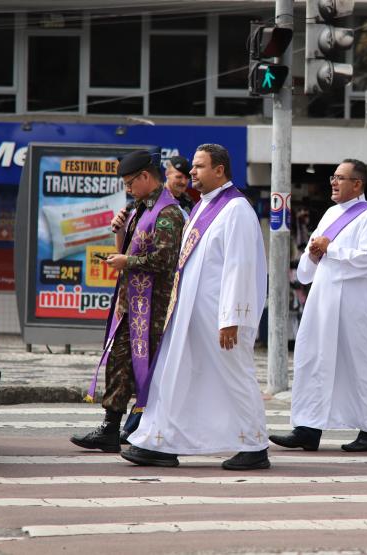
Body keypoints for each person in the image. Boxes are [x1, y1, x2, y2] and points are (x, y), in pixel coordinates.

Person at [122, 143, 270, 471]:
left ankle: (255, 445)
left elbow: (240, 266)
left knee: (234, 376)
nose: (192, 172)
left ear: (219, 170)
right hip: (189, 311)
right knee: (175, 374)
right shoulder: (204, 205)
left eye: (199, 166)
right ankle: (161, 441)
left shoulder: (236, 209)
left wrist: (232, 317)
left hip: (219, 317)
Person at [270, 159, 367, 453]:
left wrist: (329, 248)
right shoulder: (330, 214)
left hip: (353, 307)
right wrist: (312, 254)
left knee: (358, 364)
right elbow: (307, 272)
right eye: (333, 177)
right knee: (312, 360)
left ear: (357, 184)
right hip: (322, 303)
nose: (333, 182)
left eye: (340, 178)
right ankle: (307, 428)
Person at [70, 150, 184, 453]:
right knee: (119, 363)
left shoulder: (168, 212)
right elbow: (127, 249)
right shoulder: (140, 209)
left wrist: (126, 262)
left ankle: (144, 430)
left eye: (130, 182)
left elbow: (164, 259)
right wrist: (120, 231)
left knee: (148, 371)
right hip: (131, 304)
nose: (128, 189)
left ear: (145, 177)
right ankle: (110, 428)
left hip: (154, 309)